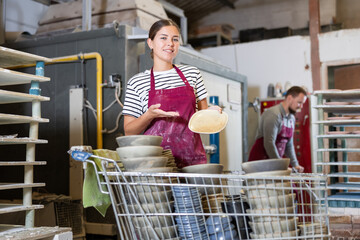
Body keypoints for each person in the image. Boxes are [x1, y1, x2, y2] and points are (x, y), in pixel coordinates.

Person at [122, 19, 220, 168]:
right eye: (163, 38)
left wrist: (211, 114)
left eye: (175, 39)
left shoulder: (192, 74)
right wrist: (149, 115)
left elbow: (203, 117)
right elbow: (129, 131)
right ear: (150, 43)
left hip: (192, 160)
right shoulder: (137, 82)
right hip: (155, 164)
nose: (170, 43)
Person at [248, 86, 306, 173]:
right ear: (289, 98)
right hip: (261, 162)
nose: (301, 106)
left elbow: (289, 145)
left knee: (289, 185)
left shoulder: (291, 118)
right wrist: (280, 166)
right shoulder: (274, 114)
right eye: (299, 102)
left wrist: (295, 164)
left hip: (275, 162)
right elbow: (269, 143)